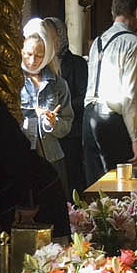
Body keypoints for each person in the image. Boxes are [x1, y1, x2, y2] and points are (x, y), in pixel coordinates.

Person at [0, 87, 70, 238]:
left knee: (49, 254)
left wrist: (27, 200)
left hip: (32, 189)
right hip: (7, 189)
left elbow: (15, 152)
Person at [83, 0, 137, 186]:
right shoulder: (133, 43)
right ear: (136, 13)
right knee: (119, 189)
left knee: (96, 188)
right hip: (111, 121)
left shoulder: (98, 42)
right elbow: (130, 95)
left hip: (88, 118)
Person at [20, 17, 74, 197]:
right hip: (21, 154)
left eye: (39, 55)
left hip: (51, 156)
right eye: (28, 54)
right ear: (21, 51)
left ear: (47, 55)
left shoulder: (58, 84)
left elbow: (66, 123)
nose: (32, 60)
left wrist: (52, 123)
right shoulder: (14, 81)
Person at [44, 16, 88, 197]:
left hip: (71, 131)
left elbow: (84, 96)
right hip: (49, 133)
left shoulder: (77, 63)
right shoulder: (43, 65)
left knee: (72, 177)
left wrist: (61, 106)